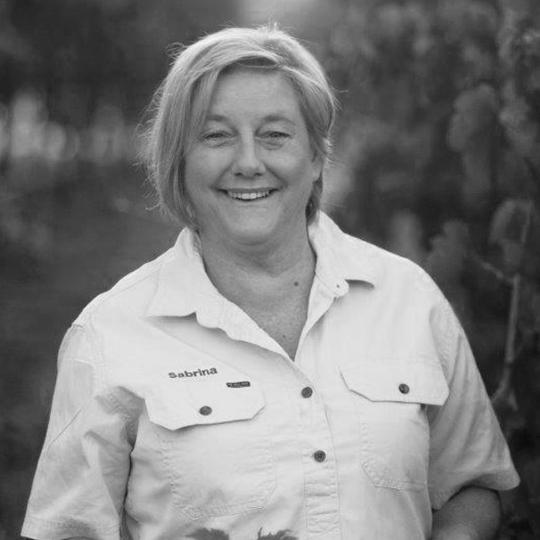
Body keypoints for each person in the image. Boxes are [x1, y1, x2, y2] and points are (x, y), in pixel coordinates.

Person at [22, 25, 519, 540]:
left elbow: (472, 483)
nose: (248, 162)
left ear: (316, 156)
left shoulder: (409, 299)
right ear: (179, 162)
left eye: (275, 134)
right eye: (216, 135)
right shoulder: (108, 336)